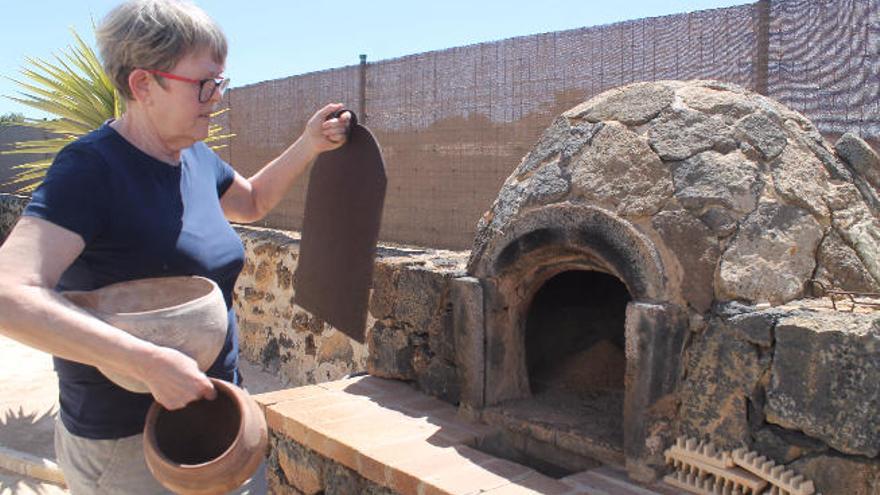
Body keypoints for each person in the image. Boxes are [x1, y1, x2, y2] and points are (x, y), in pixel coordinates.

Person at [0, 1, 351, 493]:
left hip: (223, 417)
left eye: (220, 83)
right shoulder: (89, 171)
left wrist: (309, 144)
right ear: (144, 85)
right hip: (130, 447)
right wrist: (142, 361)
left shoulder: (195, 157)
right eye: (204, 84)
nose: (216, 98)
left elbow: (251, 202)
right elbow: (9, 295)